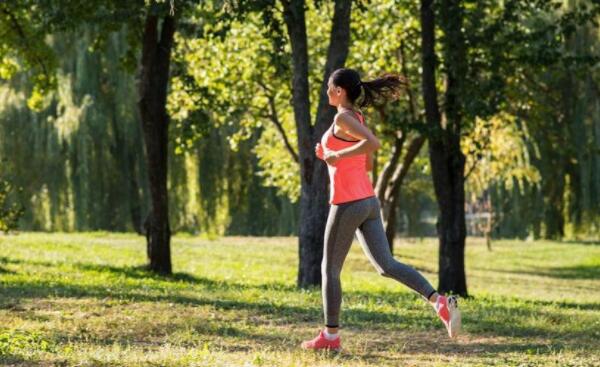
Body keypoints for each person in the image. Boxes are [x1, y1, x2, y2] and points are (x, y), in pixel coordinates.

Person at [301, 68, 461, 352]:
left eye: (329, 87)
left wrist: (336, 154)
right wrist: (329, 157)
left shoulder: (342, 117)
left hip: (348, 203)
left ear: (340, 91)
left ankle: (330, 337)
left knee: (329, 269)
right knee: (386, 265)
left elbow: (373, 144)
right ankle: (439, 302)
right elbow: (368, 163)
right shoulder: (357, 118)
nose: (327, 92)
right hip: (368, 203)